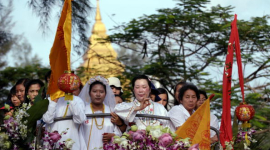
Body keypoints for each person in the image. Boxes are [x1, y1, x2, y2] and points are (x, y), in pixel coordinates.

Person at [78, 76, 122, 150]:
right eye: (94, 91)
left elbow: (119, 133)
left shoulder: (111, 111)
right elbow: (79, 135)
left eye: (101, 92)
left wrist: (113, 136)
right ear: (89, 93)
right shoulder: (83, 111)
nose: (98, 94)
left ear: (105, 94)